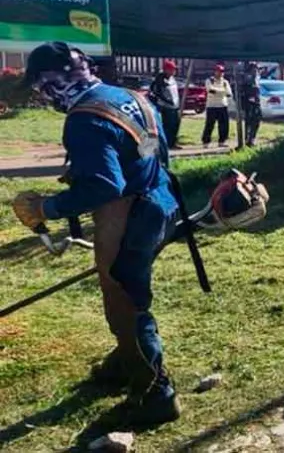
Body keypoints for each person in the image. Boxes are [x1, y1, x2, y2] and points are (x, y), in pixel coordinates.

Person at [10, 42, 181, 425]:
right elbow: (154, 146)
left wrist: (45, 208)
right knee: (129, 288)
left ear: (51, 83)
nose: (42, 95)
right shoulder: (129, 96)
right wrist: (129, 166)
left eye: (41, 87)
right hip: (161, 201)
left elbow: (105, 186)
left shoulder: (85, 120)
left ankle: (156, 392)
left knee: (126, 303)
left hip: (129, 216)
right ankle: (124, 360)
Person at [149, 60, 182, 149]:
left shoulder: (173, 79)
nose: (174, 71)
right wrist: (166, 101)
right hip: (165, 107)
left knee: (176, 125)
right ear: (166, 69)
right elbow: (155, 92)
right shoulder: (160, 79)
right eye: (172, 69)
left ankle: (173, 143)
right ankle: (166, 144)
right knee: (168, 126)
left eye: (174, 69)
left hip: (175, 106)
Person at [202, 64, 232, 148]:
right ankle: (206, 142)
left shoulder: (225, 82)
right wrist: (222, 92)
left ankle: (222, 141)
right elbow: (210, 90)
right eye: (219, 71)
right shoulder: (209, 80)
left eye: (222, 72)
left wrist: (218, 91)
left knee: (224, 125)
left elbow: (229, 93)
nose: (220, 73)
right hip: (211, 106)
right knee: (209, 125)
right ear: (215, 71)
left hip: (223, 105)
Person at [240, 62, 262, 147]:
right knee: (249, 121)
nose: (256, 71)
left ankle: (252, 138)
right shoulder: (247, 77)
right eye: (255, 69)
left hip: (256, 101)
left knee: (257, 120)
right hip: (249, 102)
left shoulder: (257, 77)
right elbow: (245, 90)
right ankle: (248, 140)